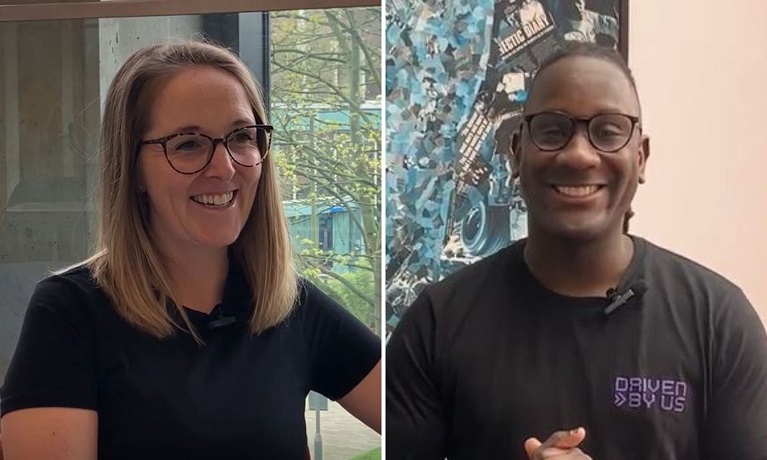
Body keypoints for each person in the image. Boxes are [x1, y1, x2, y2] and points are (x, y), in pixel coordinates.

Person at [0, 40, 381, 460]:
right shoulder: (70, 313)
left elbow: (434, 417)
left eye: (241, 136)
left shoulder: (292, 306)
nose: (225, 167)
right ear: (132, 169)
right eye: (187, 144)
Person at [386, 41, 767, 460]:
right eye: (552, 129)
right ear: (517, 153)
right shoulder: (437, 322)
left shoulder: (720, 323)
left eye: (607, 131)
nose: (579, 154)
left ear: (641, 158)